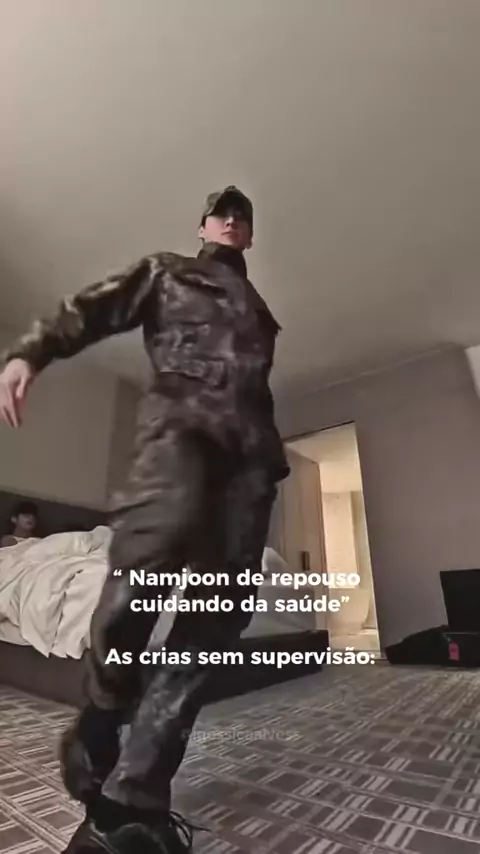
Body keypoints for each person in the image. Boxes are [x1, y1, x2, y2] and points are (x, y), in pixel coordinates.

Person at [0, 186, 290, 854]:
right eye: (222, 213)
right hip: (178, 452)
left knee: (209, 631)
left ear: (249, 235)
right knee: (133, 595)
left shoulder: (260, 310)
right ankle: (99, 721)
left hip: (247, 476)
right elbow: (94, 306)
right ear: (203, 227)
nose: (232, 221)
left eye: (243, 217)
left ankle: (134, 806)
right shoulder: (167, 272)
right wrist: (31, 352)